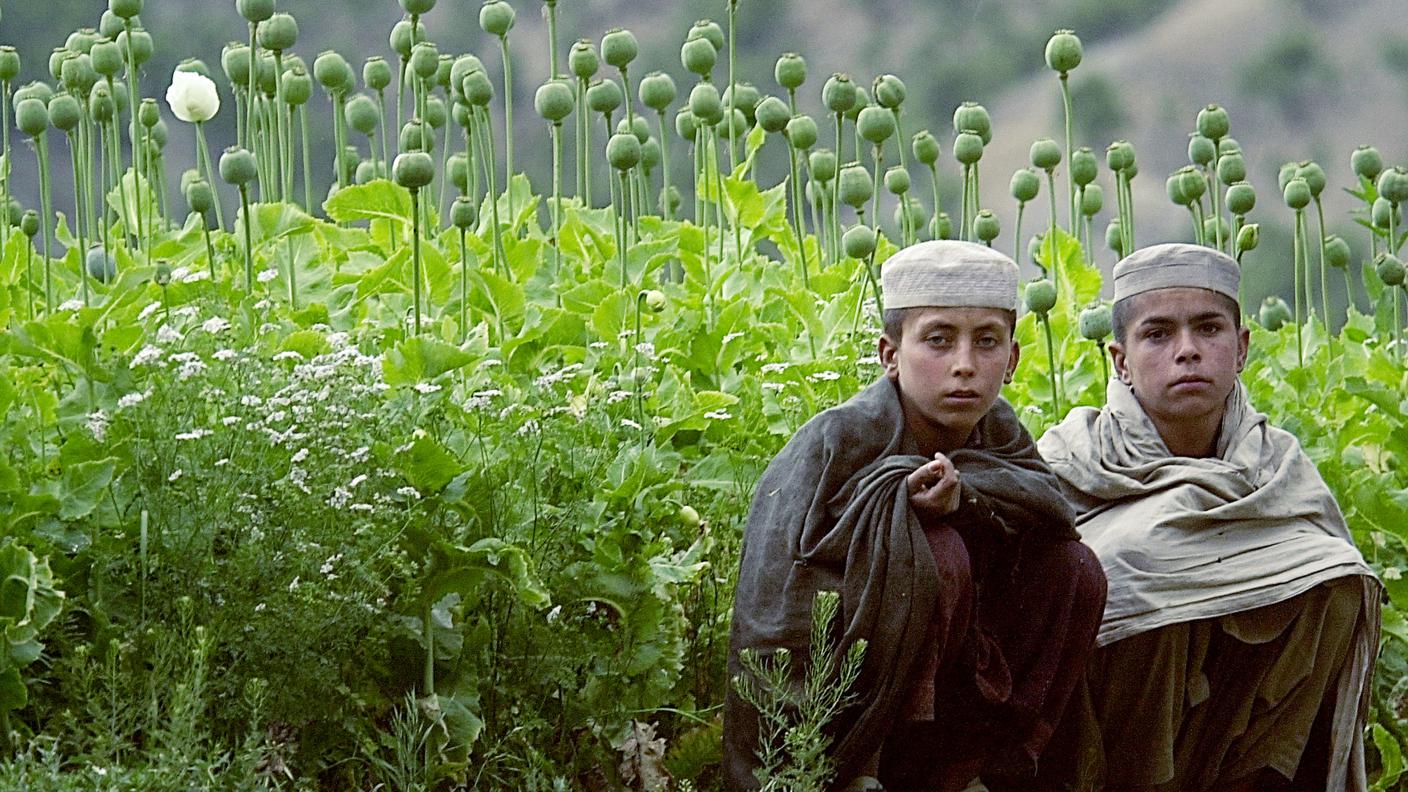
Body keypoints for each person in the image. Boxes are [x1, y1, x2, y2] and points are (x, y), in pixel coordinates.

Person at [724, 240, 1108, 792]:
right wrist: (894, 519)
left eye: (987, 343)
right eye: (938, 340)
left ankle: (979, 766)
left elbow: (1047, 509)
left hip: (957, 685)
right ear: (889, 354)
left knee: (1075, 567)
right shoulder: (839, 439)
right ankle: (867, 768)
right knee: (936, 555)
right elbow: (775, 600)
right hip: (848, 696)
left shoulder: (1000, 431)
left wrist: (966, 497)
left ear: (1014, 359)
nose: (964, 366)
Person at [1038, 243, 1382, 791]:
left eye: (1208, 329)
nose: (1187, 351)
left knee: (1335, 578)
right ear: (1119, 361)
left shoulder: (1274, 464)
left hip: (1232, 732)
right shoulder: (1072, 459)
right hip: (1098, 750)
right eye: (1157, 334)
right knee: (1135, 568)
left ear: (1242, 347)